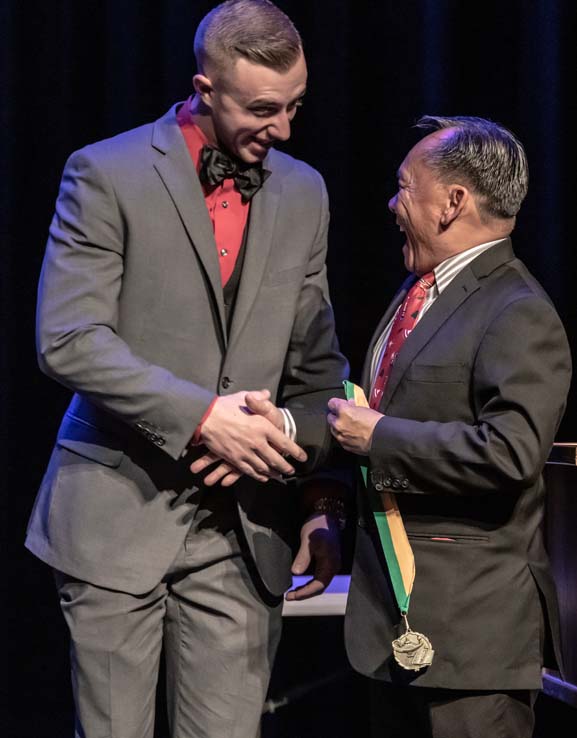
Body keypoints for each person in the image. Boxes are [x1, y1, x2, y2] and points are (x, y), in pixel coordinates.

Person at [25, 1, 348, 736]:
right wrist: (205, 418)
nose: (284, 129)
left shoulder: (304, 191)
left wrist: (319, 490)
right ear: (204, 89)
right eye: (262, 109)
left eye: (295, 106)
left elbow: (317, 364)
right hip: (116, 513)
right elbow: (68, 337)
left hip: (241, 531)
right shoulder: (105, 173)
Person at [326, 116, 572, 738]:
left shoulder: (518, 311)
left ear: (453, 202)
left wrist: (379, 436)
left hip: (472, 643)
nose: (391, 202)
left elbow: (512, 453)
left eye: (404, 187)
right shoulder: (420, 290)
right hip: (396, 626)